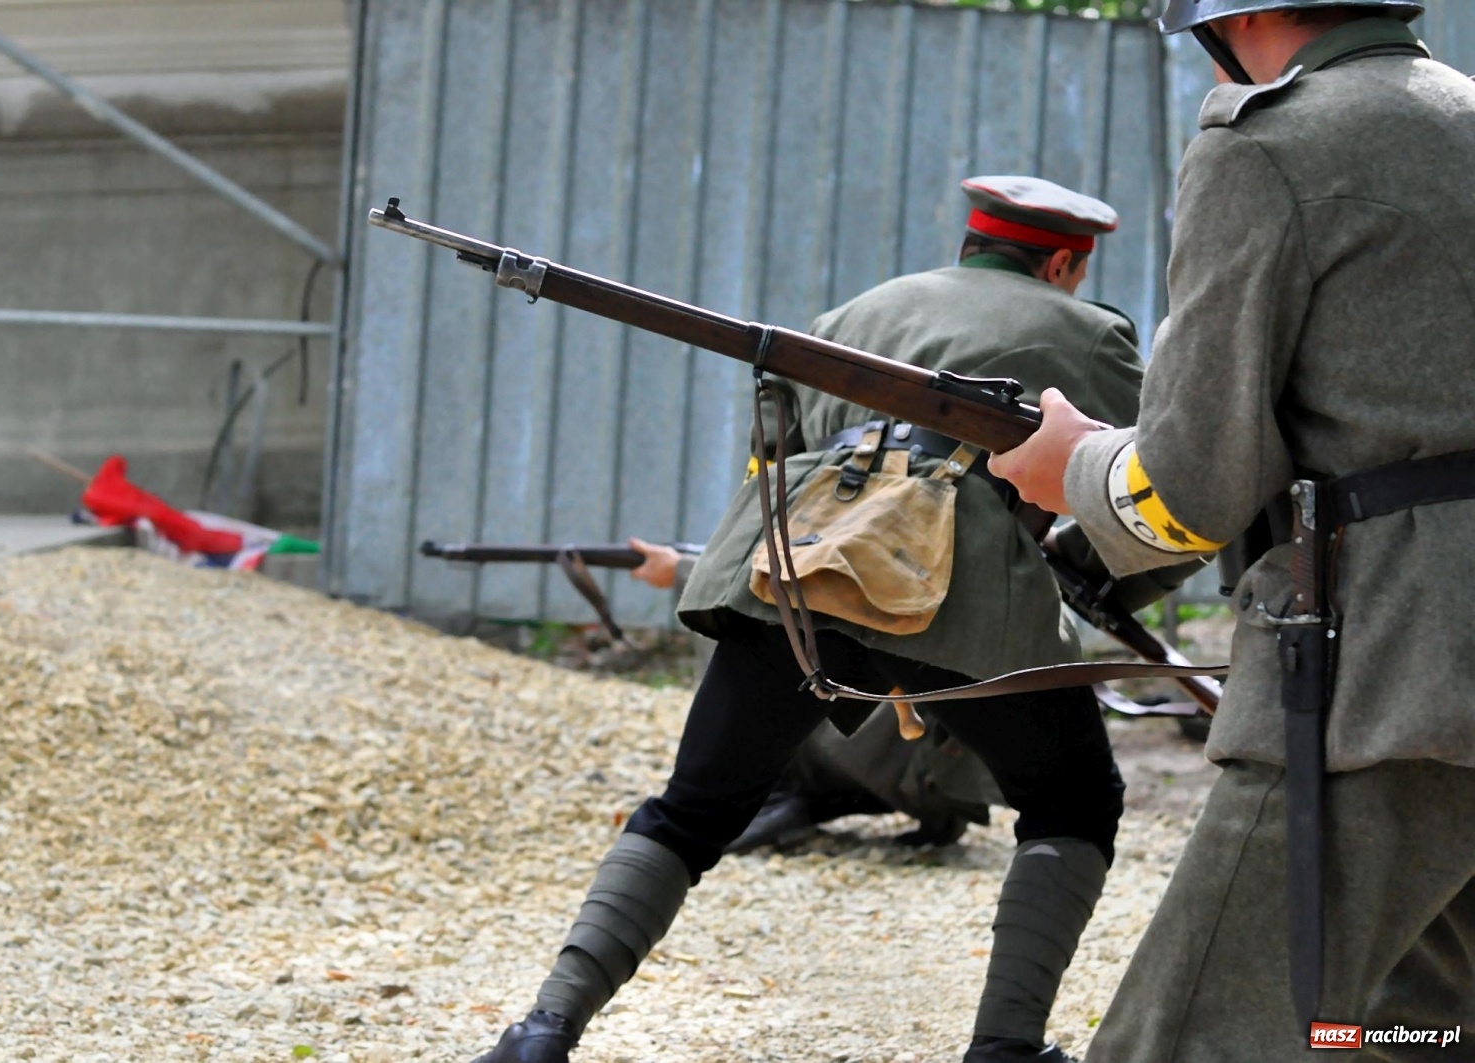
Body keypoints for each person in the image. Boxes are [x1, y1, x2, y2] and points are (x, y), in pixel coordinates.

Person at [470, 175, 1147, 1063]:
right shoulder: (1093, 333)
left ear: (971, 243)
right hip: (968, 594)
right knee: (1072, 800)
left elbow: (777, 458)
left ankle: (544, 1029)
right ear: (1064, 261)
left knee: (691, 810)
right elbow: (1145, 484)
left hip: (802, 576)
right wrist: (1108, 586)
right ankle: (1005, 1048)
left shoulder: (850, 315)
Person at [988, 4, 1475, 1060]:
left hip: (1376, 678)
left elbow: (1194, 485)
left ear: (1233, 15)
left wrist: (1064, 463)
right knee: (1413, 1033)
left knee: (1186, 1037)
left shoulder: (1267, 144)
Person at [626, 536, 1001, 852]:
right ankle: (789, 799)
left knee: (744, 613)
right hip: (940, 779)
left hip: (915, 764)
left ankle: (773, 800)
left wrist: (682, 571)